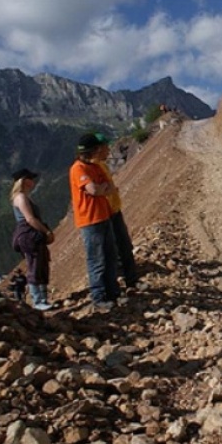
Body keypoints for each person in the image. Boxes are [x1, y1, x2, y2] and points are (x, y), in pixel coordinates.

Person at [70, 132, 120, 310]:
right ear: (95, 150)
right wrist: (102, 189)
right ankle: (98, 297)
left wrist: (102, 189)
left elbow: (110, 188)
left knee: (110, 256)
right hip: (90, 220)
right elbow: (93, 190)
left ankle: (113, 293)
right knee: (97, 260)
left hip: (103, 216)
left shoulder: (96, 167)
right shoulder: (78, 169)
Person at [95, 140, 145, 292]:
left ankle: (131, 280)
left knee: (124, 246)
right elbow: (99, 190)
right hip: (106, 213)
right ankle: (114, 286)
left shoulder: (101, 165)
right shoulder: (93, 167)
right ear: (98, 149)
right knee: (111, 250)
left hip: (114, 210)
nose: (108, 150)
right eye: (105, 147)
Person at [10, 168, 54, 310]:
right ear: (24, 180)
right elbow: (29, 218)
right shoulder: (21, 197)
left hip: (32, 234)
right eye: (30, 178)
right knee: (34, 264)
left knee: (40, 264)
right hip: (29, 235)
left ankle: (43, 298)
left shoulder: (23, 197)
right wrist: (46, 231)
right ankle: (38, 300)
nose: (33, 181)